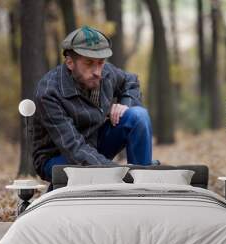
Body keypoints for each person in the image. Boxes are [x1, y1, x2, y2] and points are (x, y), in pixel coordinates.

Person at [32, 26, 155, 186]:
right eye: (89, 63)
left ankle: (143, 187)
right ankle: (127, 184)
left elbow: (130, 81)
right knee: (83, 171)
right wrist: (120, 174)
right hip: (58, 156)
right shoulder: (49, 92)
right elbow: (74, 148)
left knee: (139, 115)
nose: (97, 71)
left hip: (96, 142)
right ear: (70, 62)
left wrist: (126, 104)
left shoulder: (105, 72)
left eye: (100, 63)